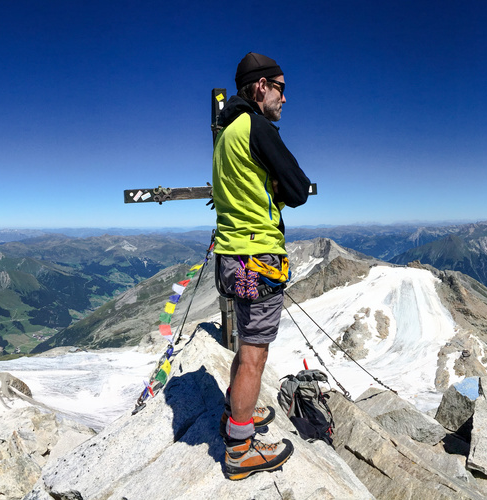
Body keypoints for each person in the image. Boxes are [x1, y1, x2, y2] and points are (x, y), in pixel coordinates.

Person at [212, 51, 310, 481]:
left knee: (245, 343)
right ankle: (240, 448)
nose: (285, 99)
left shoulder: (227, 133)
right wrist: (282, 189)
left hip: (230, 255)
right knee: (255, 352)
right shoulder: (257, 127)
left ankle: (237, 412)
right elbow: (299, 187)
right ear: (261, 86)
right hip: (259, 257)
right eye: (282, 89)